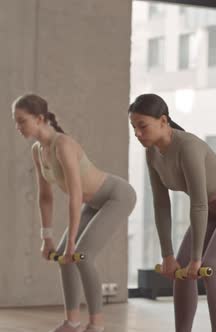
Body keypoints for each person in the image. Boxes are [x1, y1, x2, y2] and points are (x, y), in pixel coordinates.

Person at [128, 93, 216, 332]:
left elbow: (198, 203)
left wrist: (196, 258)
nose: (137, 133)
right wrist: (168, 255)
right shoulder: (152, 154)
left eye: (142, 126)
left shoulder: (188, 146)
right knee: (181, 270)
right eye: (133, 127)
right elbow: (161, 204)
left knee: (211, 268)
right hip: (211, 209)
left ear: (163, 120)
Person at [12, 94, 136, 332]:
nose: (18, 127)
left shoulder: (63, 145)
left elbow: (76, 195)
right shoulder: (38, 151)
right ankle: (72, 321)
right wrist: (45, 236)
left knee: (81, 255)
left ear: (39, 119)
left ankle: (96, 324)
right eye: (15, 121)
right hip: (94, 201)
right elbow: (45, 197)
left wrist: (71, 242)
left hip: (116, 196)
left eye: (22, 121)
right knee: (63, 257)